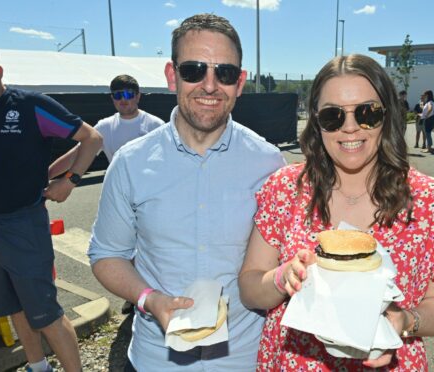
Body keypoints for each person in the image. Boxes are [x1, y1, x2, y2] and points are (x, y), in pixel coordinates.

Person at [238, 54, 434, 371]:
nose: (349, 128)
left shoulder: (433, 202)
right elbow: (250, 287)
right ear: (317, 122)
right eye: (333, 116)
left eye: (367, 113)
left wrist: (403, 321)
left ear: (386, 115)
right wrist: (282, 278)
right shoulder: (285, 189)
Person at [87, 14, 285, 371]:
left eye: (224, 73)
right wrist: (148, 299)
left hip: (245, 360)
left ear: (239, 82)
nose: (209, 86)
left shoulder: (269, 163)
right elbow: (106, 255)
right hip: (155, 360)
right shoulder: (131, 162)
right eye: (194, 70)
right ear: (171, 75)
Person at [0, 44, 102, 372]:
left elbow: (91, 139)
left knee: (45, 313)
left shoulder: (30, 106)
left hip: (22, 224)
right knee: (13, 306)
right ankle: (38, 367)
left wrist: (70, 181)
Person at [48, 74, 165, 315]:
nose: (124, 100)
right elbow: (75, 155)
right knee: (124, 249)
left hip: (150, 197)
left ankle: (155, 295)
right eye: (118, 95)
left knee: (150, 248)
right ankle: (135, 296)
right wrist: (46, 175)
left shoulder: (155, 125)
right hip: (120, 198)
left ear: (138, 96)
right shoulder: (104, 127)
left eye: (129, 94)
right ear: (112, 98)